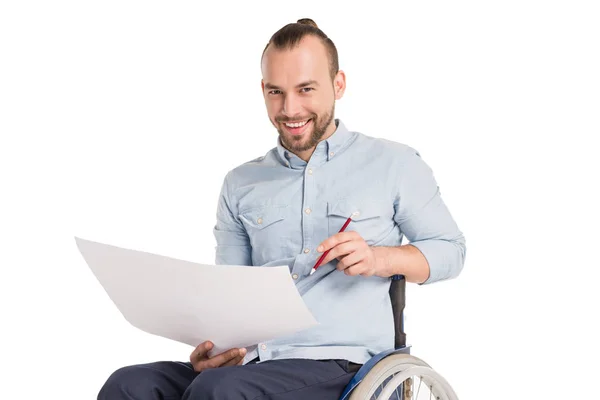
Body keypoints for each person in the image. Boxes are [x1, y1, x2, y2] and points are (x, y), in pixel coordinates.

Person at [98, 18, 466, 400]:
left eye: (306, 89)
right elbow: (228, 296)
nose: (290, 109)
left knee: (218, 392)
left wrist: (378, 258)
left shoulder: (394, 164)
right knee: (128, 385)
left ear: (338, 84)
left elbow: (451, 251)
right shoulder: (241, 183)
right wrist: (215, 348)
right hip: (253, 363)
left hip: (345, 367)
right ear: (263, 90)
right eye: (276, 92)